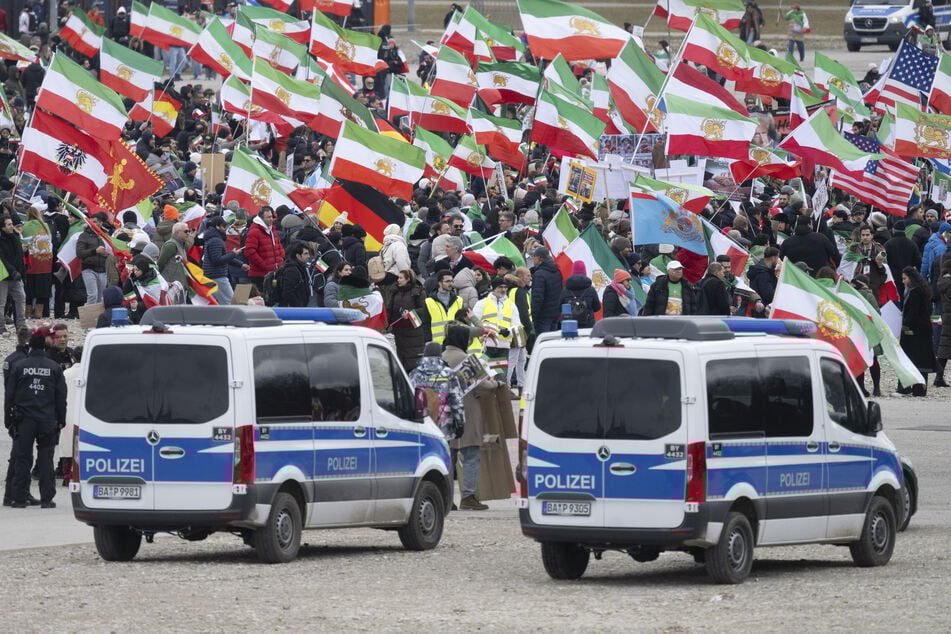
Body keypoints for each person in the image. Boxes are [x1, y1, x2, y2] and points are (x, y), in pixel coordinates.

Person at [5, 327, 67, 508]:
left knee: (23, 458)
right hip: (47, 419)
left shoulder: (19, 366)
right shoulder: (54, 367)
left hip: (24, 420)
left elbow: (9, 395)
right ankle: (47, 499)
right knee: (46, 458)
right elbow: (60, 397)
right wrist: (61, 420)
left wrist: (8, 420)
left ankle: (18, 498)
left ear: (30, 347)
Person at [443, 325, 499, 511]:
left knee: (447, 458)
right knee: (471, 454)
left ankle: (445, 498)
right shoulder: (465, 359)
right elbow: (485, 385)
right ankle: (468, 496)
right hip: (467, 411)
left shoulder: (442, 358)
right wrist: (496, 382)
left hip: (445, 414)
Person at [3, 326, 35, 507]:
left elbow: (8, 391)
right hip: (25, 412)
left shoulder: (9, 359)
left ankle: (11, 492)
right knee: (23, 457)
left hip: (14, 410)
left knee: (17, 456)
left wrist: (7, 417)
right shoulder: (25, 361)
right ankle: (19, 493)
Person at [898, 266, 937, 397]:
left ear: (911, 278)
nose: (903, 281)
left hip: (914, 330)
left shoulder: (914, 292)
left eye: (904, 278)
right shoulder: (923, 290)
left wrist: (906, 325)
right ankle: (920, 389)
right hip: (924, 329)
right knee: (921, 360)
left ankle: (904, 388)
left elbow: (913, 312)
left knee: (908, 358)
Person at [473, 277, 522, 377]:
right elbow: (473, 323)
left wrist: (508, 331)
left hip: (502, 348)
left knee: (500, 380)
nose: (503, 290)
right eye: (500, 287)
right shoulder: (482, 303)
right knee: (484, 378)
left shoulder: (511, 305)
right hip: (485, 347)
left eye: (505, 287)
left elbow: (517, 325)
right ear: (493, 288)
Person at [387, 269, 427, 370]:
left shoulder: (418, 292)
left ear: (408, 279)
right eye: (398, 278)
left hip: (413, 332)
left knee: (412, 360)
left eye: (400, 278)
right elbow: (389, 309)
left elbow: (424, 310)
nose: (398, 280)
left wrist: (410, 314)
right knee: (401, 357)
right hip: (399, 331)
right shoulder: (395, 291)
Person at [202, 215, 244, 306]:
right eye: (224, 226)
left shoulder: (212, 239)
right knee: (231, 304)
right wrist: (233, 254)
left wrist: (240, 264)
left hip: (213, 276)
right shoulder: (216, 240)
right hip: (218, 276)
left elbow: (221, 257)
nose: (226, 228)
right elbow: (217, 260)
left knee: (219, 304)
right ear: (217, 226)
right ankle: (234, 320)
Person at [245, 207, 285, 291]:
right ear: (261, 218)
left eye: (271, 216)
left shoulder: (272, 230)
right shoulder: (254, 232)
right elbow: (249, 251)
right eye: (268, 217)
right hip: (260, 274)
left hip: (275, 272)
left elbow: (278, 244)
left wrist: (281, 257)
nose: (271, 219)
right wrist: (264, 265)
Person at [76, 212, 110, 306]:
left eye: (97, 222)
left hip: (102, 269)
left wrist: (107, 253)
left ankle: (98, 318)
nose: (94, 224)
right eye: (93, 222)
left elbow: (111, 249)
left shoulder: (105, 235)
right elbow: (79, 252)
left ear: (101, 223)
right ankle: (88, 318)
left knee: (101, 297)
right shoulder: (84, 235)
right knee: (92, 295)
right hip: (89, 268)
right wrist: (95, 251)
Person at [0, 216, 27, 333]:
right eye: (9, 224)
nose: (12, 226)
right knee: (1, 302)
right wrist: (12, 271)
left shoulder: (15, 237)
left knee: (21, 298)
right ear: (2, 227)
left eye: (12, 224)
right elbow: (2, 258)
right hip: (4, 275)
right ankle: (1, 326)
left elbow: (20, 254)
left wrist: (20, 270)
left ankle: (21, 325)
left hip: (17, 275)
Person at [424, 269, 463, 344]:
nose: (451, 284)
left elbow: (463, 322)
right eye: (447, 281)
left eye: (452, 281)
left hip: (455, 343)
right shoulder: (429, 301)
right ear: (439, 283)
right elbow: (426, 324)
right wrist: (428, 342)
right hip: (437, 344)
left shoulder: (459, 300)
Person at [530, 247, 563, 334]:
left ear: (539, 258)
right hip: (555, 314)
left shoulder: (539, 274)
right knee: (552, 342)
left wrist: (534, 315)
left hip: (543, 316)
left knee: (543, 341)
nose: (533, 260)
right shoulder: (557, 271)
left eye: (534, 257)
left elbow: (537, 298)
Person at [559, 261, 600, 328]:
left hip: (569, 325)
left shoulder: (565, 290)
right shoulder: (591, 290)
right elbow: (597, 307)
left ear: (573, 272)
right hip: (588, 324)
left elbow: (559, 306)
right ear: (585, 272)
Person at [278, 241, 312, 307]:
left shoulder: (302, 267)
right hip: (293, 311)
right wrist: (298, 306)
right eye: (305, 254)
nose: (308, 256)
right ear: (298, 255)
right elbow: (287, 293)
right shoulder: (291, 270)